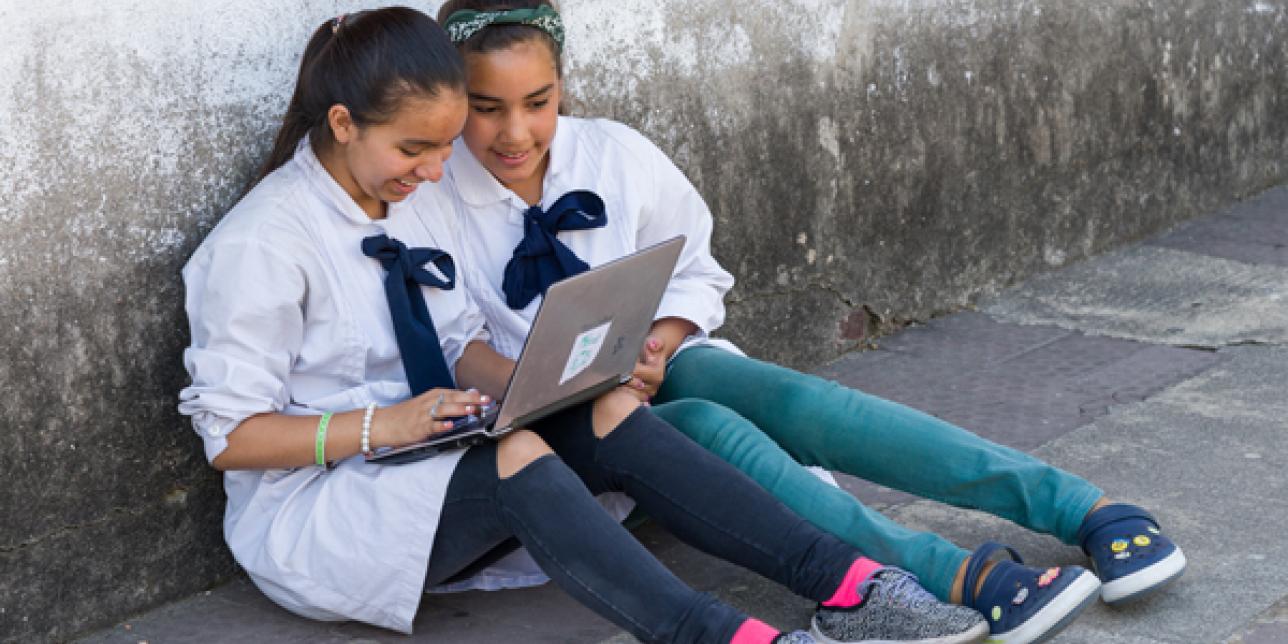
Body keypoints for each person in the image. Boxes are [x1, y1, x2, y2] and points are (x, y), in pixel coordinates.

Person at [177, 7, 990, 643]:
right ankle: (719, 635)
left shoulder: (402, 198)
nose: (434, 172)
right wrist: (383, 425)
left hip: (435, 454)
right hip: (326, 511)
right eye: (416, 150)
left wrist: (546, 380)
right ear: (345, 123)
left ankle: (850, 587)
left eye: (443, 149)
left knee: (604, 409)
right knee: (519, 453)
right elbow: (232, 438)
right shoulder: (258, 246)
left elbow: (458, 344)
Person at [434, 2, 1188, 643]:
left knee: (765, 391)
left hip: (648, 372)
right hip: (564, 437)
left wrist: (660, 342)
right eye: (487, 106)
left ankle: (1079, 504)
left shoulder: (614, 154)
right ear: (450, 96)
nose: (517, 132)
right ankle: (949, 573)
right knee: (700, 423)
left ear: (563, 83)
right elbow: (443, 352)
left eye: (539, 101)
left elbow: (695, 270)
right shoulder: (429, 199)